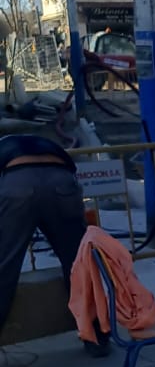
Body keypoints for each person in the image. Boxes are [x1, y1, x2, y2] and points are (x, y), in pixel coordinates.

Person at [0, 133, 106, 354]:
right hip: (61, 181)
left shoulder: (4, 147)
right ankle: (96, 337)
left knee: (5, 267)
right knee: (79, 262)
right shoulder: (41, 141)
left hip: (17, 184)